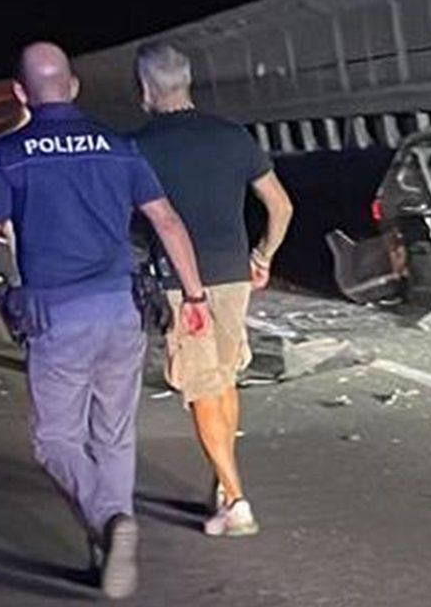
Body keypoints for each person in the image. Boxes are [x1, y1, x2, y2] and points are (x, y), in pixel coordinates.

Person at [0, 42, 210, 601]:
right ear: (73, 86)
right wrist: (194, 294)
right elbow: (165, 220)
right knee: (113, 436)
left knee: (54, 440)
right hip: (121, 308)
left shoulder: (9, 155)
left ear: (21, 93)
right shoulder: (118, 147)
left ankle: (107, 521)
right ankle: (107, 553)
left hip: (57, 315)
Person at [133, 41, 293, 538]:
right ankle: (225, 488)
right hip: (234, 275)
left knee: (201, 387)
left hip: (186, 285)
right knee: (222, 378)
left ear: (144, 89)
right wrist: (262, 257)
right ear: (188, 82)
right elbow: (281, 207)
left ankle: (237, 500)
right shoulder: (232, 136)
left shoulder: (138, 147)